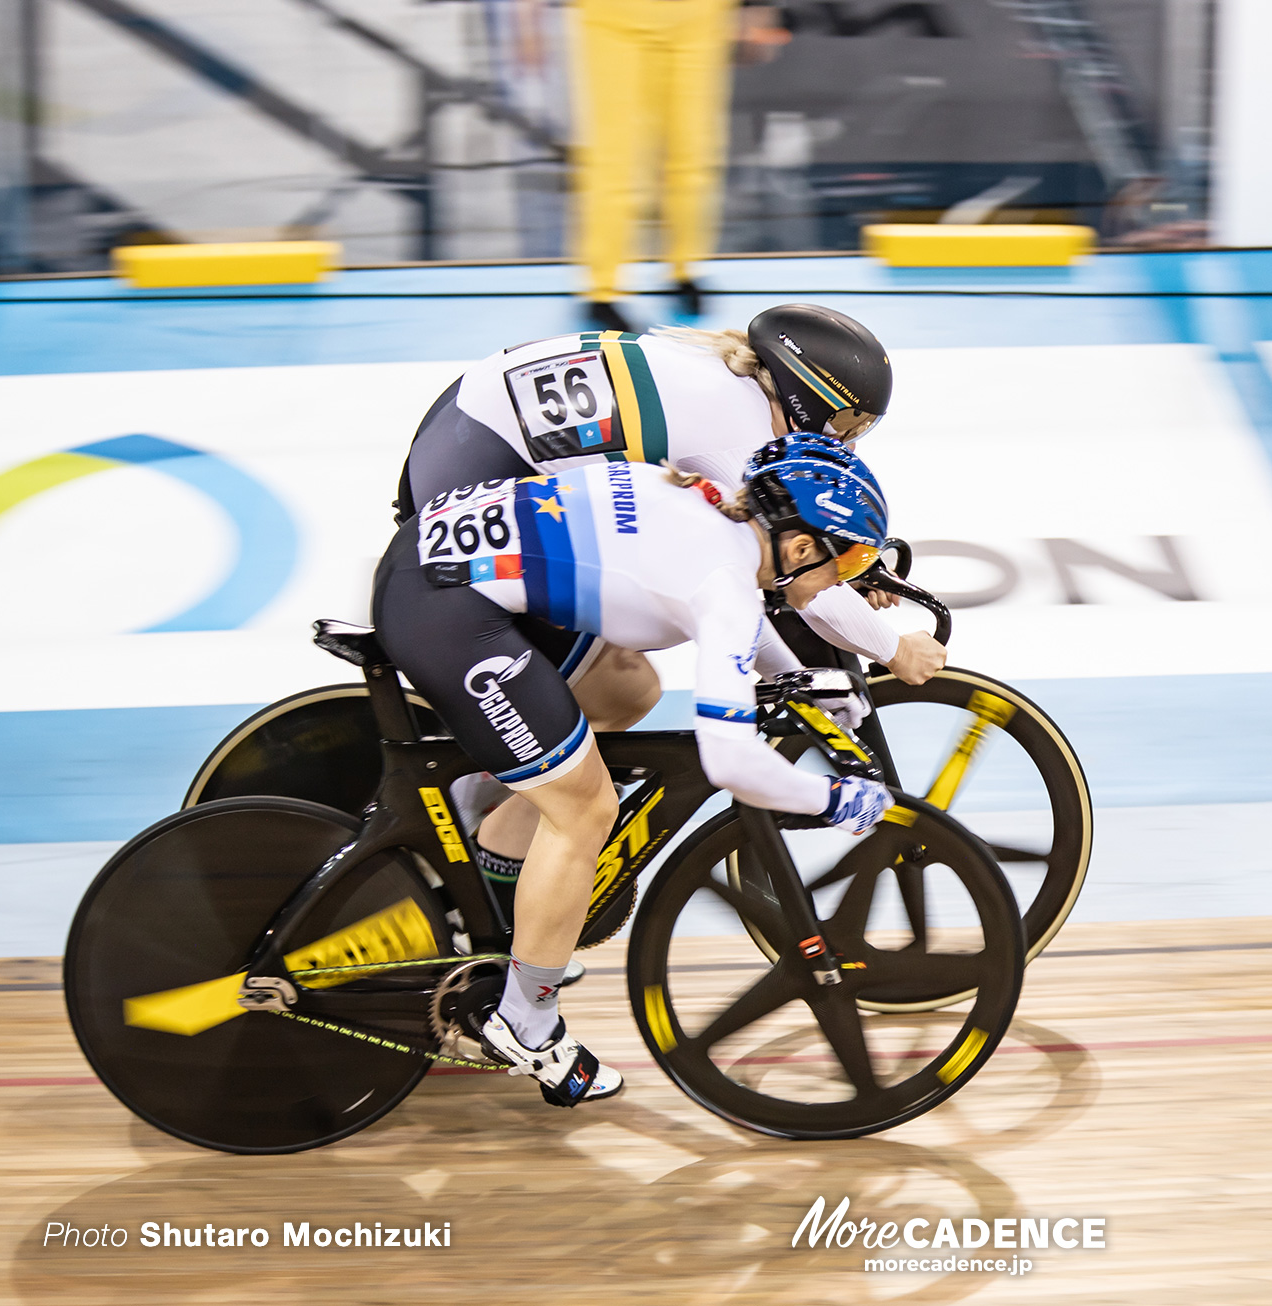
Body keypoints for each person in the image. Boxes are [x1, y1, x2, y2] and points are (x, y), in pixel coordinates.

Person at [372, 436, 898, 1104]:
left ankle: (499, 897)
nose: (847, 579)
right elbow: (730, 759)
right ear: (799, 548)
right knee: (586, 809)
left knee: (627, 692)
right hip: (445, 606)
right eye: (850, 559)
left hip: (436, 558)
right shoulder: (726, 587)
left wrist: (796, 675)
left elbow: (732, 621)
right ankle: (525, 1025)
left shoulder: (710, 508)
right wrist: (835, 801)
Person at [393, 303, 940, 883]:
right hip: (474, 475)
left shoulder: (735, 380)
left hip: (466, 431)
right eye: (846, 425)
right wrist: (894, 649)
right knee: (621, 692)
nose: (849, 443)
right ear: (809, 397)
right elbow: (799, 575)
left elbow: (787, 546)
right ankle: (495, 848)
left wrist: (853, 563)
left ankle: (507, 780)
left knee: (625, 664)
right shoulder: (743, 432)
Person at [571, 0, 738, 327]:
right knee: (615, 157)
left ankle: (685, 269)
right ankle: (603, 288)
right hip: (615, 18)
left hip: (699, 18)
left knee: (694, 152)